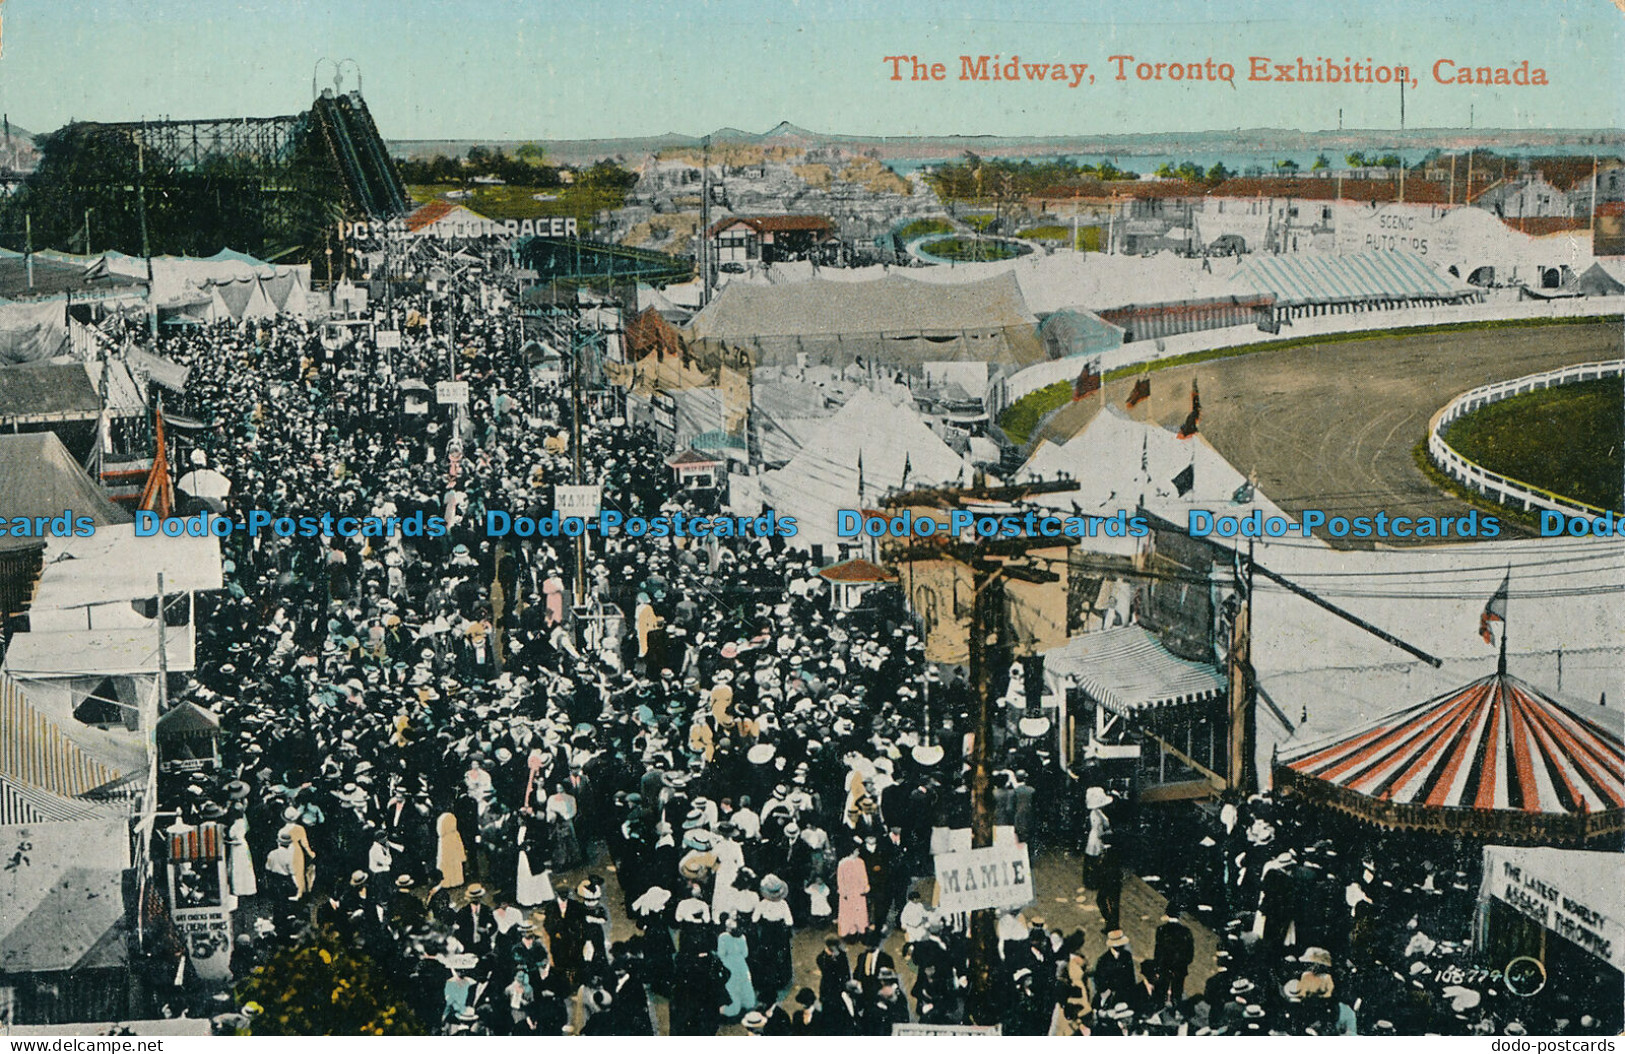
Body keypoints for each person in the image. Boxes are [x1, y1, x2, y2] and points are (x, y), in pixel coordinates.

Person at [1153, 904, 1196, 1005]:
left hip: (1164, 966)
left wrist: (1157, 966)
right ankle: (1176, 1009)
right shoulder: (1186, 932)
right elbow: (1190, 954)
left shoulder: (1161, 930)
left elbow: (1158, 951)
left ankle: (1159, 1008)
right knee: (1177, 992)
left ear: (1167, 914)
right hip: (1180, 967)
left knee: (1160, 990)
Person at [716, 913, 756, 1019]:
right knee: (745, 983)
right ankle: (747, 1004)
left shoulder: (723, 937)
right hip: (741, 963)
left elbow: (721, 953)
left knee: (731, 986)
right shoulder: (742, 937)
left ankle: (732, 1007)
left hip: (728, 964)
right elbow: (745, 954)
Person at [836, 848, 869, 939]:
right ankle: (850, 934)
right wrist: (843, 892)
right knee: (848, 913)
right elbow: (840, 879)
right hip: (848, 893)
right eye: (856, 850)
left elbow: (864, 876)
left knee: (859, 913)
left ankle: (861, 932)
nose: (858, 852)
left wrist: (865, 888)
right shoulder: (842, 863)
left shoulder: (860, 862)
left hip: (859, 893)